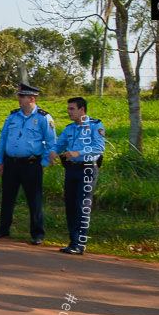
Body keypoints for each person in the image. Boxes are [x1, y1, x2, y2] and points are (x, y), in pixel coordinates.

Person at [0, 83, 57, 245]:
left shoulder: (43, 118)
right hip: (11, 164)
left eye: (22, 97)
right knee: (7, 198)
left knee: (34, 200)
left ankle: (37, 234)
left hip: (31, 165)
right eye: (19, 96)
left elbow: (51, 143)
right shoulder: (12, 116)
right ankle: (3, 228)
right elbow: (3, 139)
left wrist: (43, 163)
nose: (19, 100)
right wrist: (0, 161)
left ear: (32, 98)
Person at [54, 97, 105, 255]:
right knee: (70, 205)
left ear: (82, 110)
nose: (69, 112)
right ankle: (73, 241)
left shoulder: (95, 126)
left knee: (82, 206)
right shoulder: (70, 129)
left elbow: (99, 147)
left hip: (88, 169)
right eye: (68, 109)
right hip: (71, 170)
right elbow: (59, 144)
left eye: (72, 109)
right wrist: (52, 152)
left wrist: (78, 152)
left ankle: (80, 243)